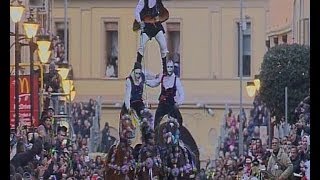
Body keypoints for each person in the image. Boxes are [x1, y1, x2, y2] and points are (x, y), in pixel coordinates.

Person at [146, 59, 184, 129]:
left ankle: (179, 135)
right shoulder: (162, 77)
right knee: (157, 121)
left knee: (179, 120)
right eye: (168, 67)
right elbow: (154, 83)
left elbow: (181, 93)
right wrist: (145, 81)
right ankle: (155, 135)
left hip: (171, 105)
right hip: (162, 104)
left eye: (171, 67)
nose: (169, 69)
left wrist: (178, 103)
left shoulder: (176, 80)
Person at [134, 0, 169, 74]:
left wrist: (160, 17)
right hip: (147, 27)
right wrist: (140, 22)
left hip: (156, 26)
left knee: (163, 45)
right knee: (142, 46)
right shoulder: (143, 1)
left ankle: (165, 68)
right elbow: (136, 12)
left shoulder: (158, 1)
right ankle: (137, 66)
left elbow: (163, 12)